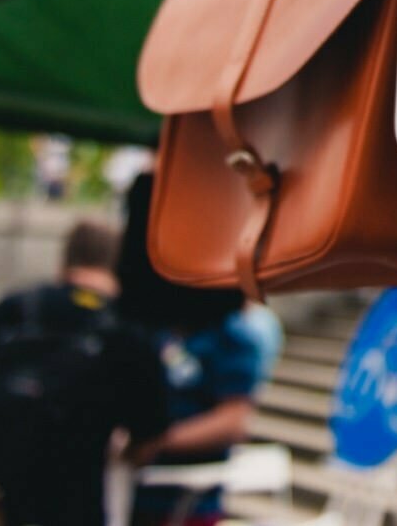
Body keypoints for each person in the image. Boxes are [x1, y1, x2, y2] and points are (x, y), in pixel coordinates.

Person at [0, 220, 170, 526]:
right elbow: (147, 442)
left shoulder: (14, 309)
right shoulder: (132, 335)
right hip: (70, 508)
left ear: (65, 259)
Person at [116, 173, 284, 526]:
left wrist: (156, 442)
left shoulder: (231, 335)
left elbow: (235, 419)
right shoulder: (142, 326)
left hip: (185, 505)